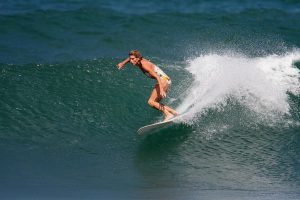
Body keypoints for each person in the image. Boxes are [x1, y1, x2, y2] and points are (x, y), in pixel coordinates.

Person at [117, 50, 178, 121]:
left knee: (150, 101)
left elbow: (157, 76)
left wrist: (161, 89)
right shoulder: (138, 60)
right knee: (154, 104)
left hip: (163, 80)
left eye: (133, 59)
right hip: (165, 80)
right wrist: (122, 63)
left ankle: (168, 114)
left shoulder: (144, 65)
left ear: (138, 58)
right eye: (130, 59)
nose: (131, 61)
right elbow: (129, 58)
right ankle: (174, 112)